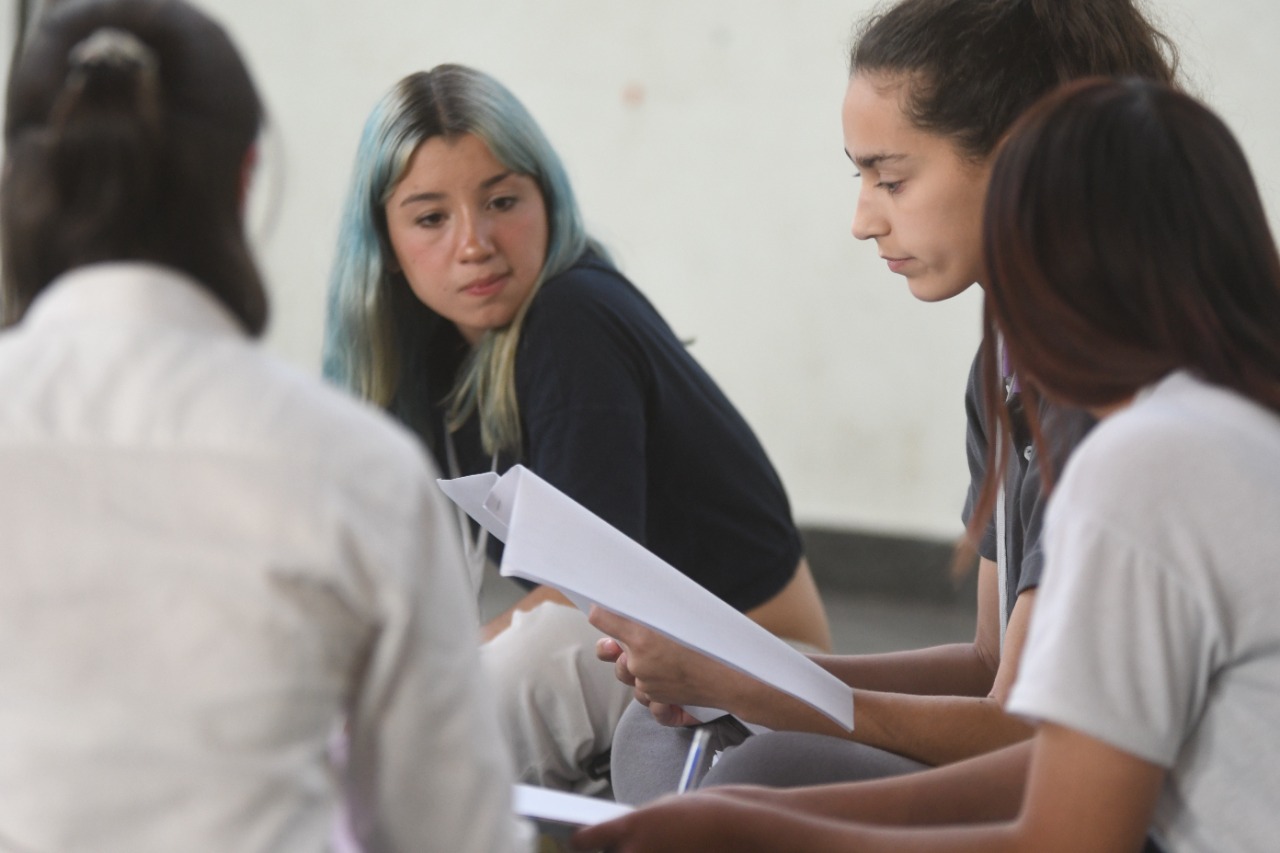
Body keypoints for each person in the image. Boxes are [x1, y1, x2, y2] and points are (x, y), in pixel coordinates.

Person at [577, 75, 1280, 853]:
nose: (865, 219)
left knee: (760, 769)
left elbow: (1068, 829)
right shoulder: (1228, 423)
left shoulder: (1150, 460)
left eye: (893, 178)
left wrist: (779, 824)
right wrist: (761, 793)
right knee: (719, 766)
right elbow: (1057, 756)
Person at [0, 2, 529, 851]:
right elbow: (451, 831)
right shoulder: (357, 467)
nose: (473, 245)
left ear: (20, 174)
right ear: (247, 179)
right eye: (430, 216)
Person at [321, 63, 832, 794]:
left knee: (460, 698)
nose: (474, 243)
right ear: (387, 243)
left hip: (764, 658)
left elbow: (585, 597)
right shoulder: (430, 350)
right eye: (431, 217)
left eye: (502, 201)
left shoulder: (572, 315)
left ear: (547, 198)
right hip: (638, 647)